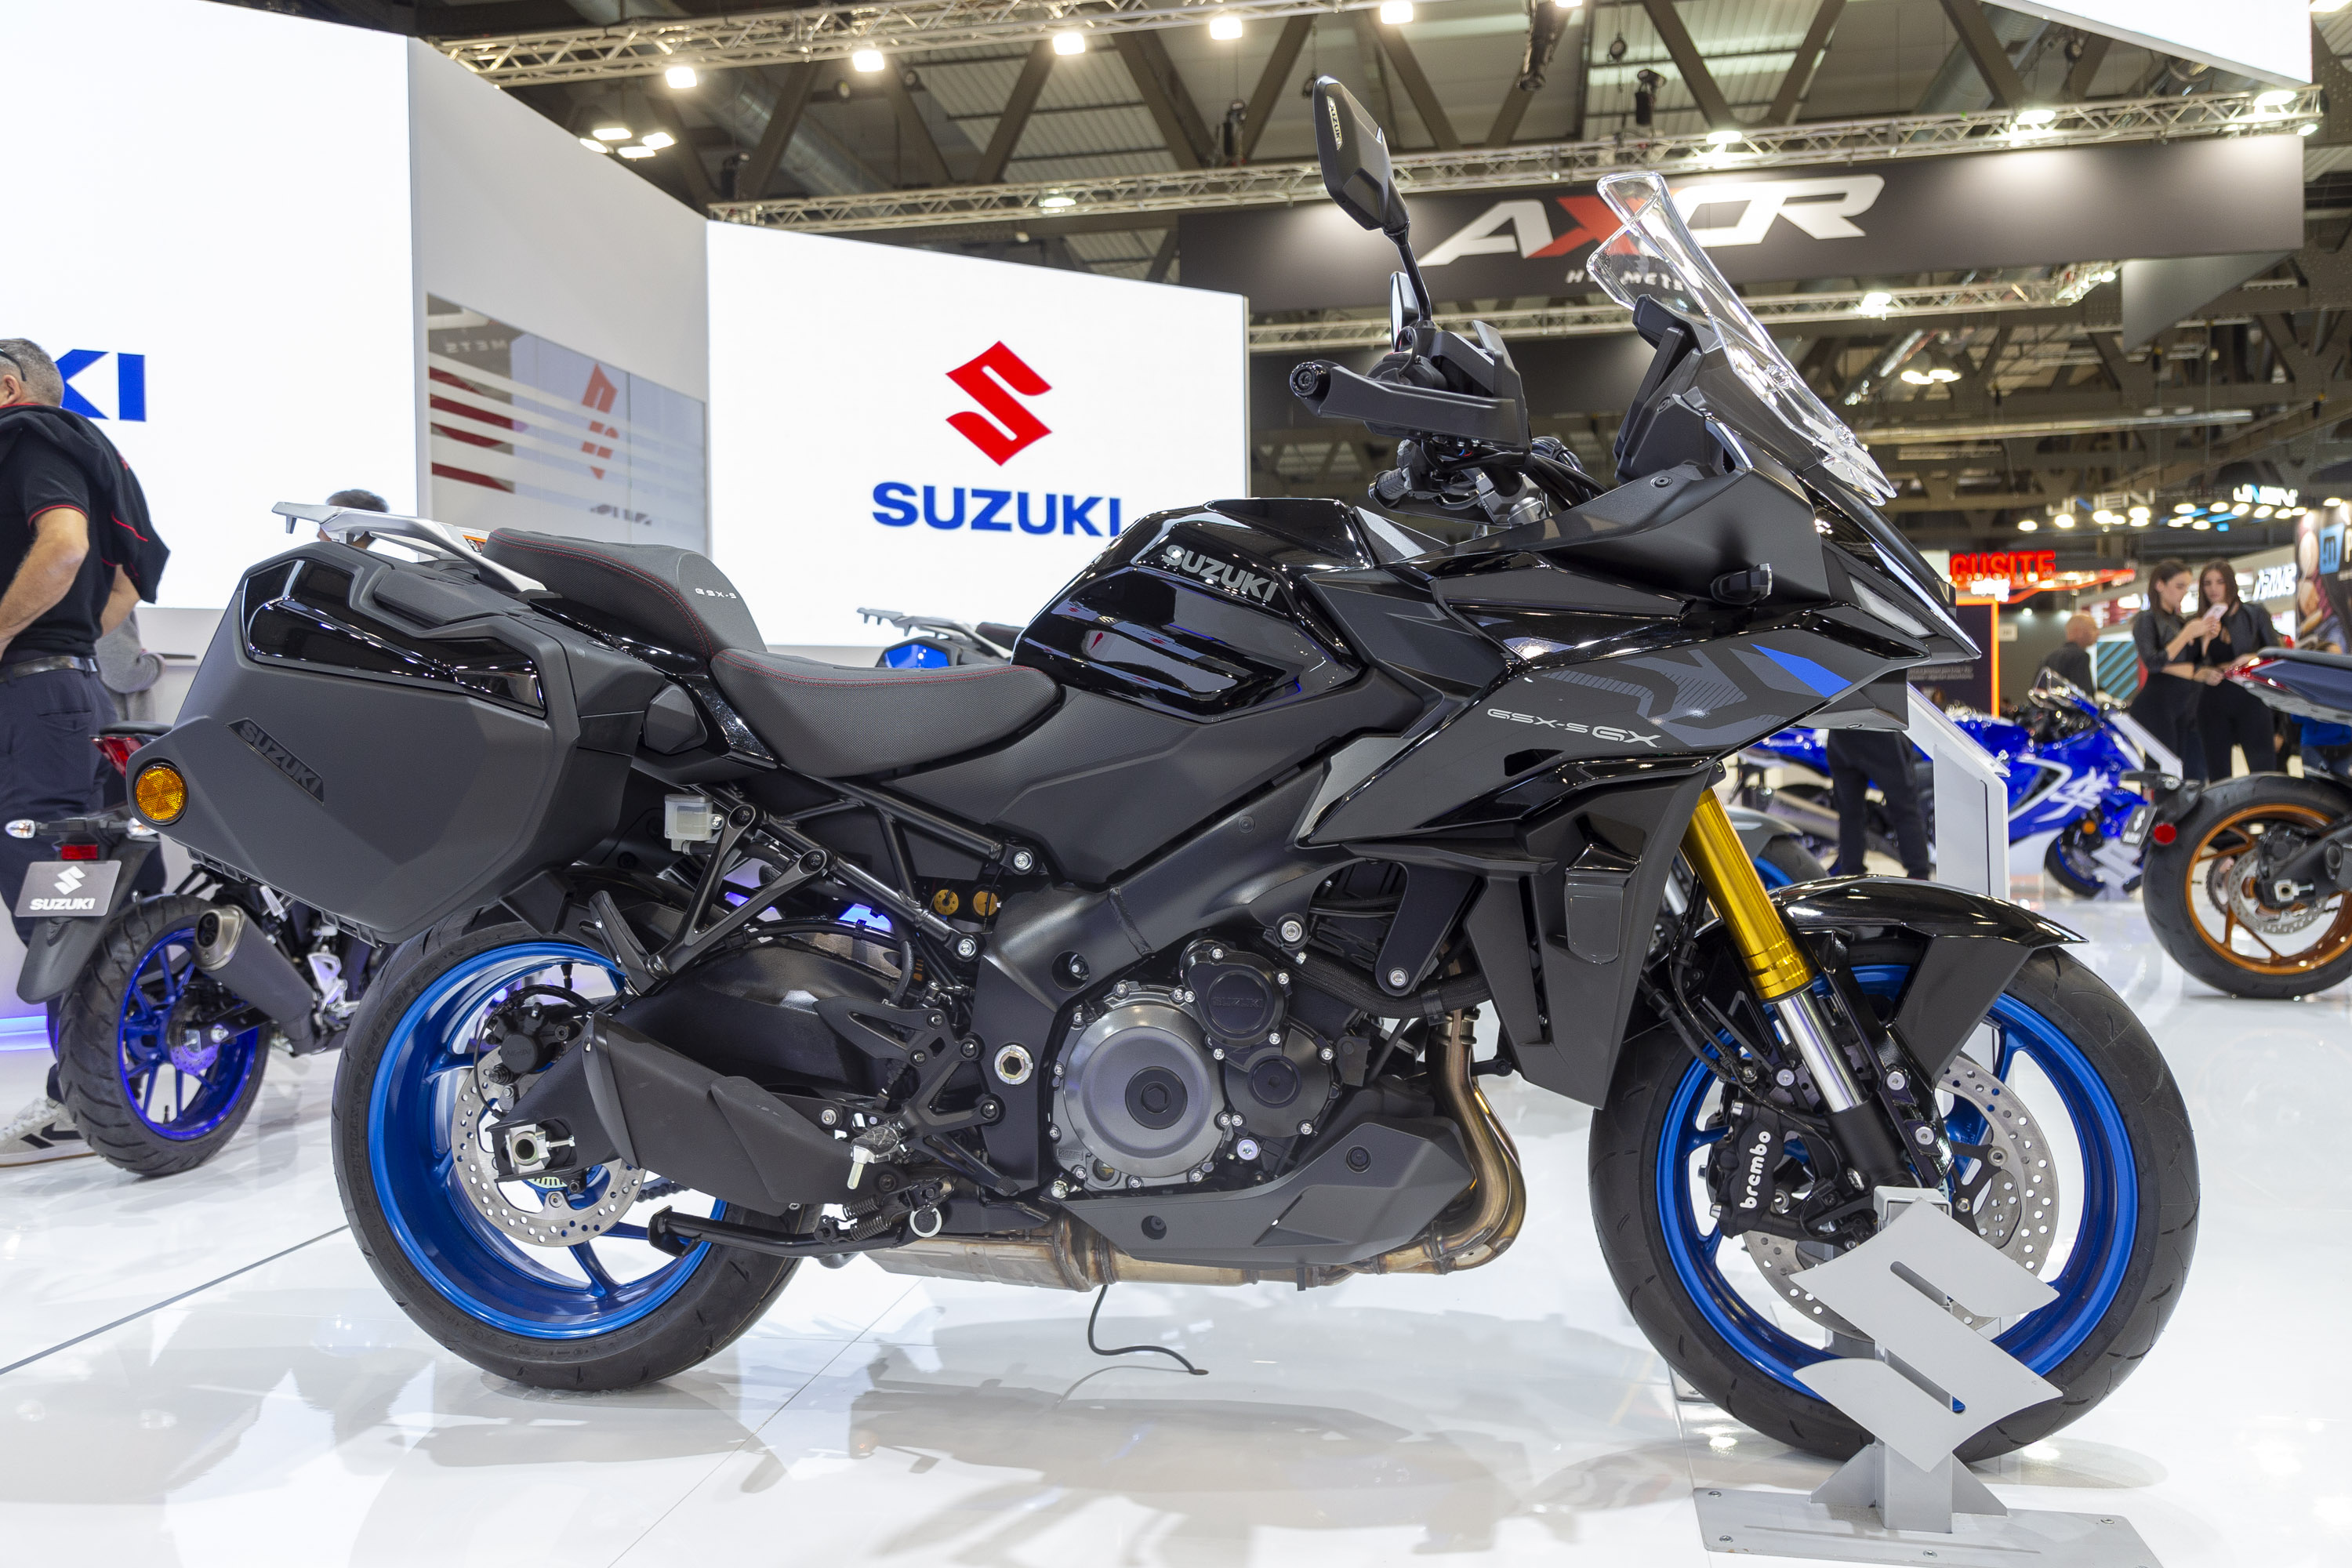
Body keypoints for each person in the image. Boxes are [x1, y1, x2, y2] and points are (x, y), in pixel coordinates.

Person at [0, 338, 166, 1164]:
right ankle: (111, 1081)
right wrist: (70, 643)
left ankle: (82, 1099)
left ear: (6, 386)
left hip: (33, 704)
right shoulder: (96, 456)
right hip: (71, 698)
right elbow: (127, 581)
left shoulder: (28, 437)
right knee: (85, 899)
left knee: (59, 908)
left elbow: (64, 546)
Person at [2189, 559, 2280, 779]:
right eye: (2207, 583)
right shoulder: (2197, 621)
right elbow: (2193, 663)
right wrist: (2204, 639)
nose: (2213, 588)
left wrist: (2252, 657)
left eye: (2219, 582)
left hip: (2251, 695)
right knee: (2218, 774)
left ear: (2230, 583)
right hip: (2213, 699)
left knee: (2263, 771)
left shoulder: (2255, 613)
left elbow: (2276, 653)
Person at [2128, 561, 2214, 779]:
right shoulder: (2147, 620)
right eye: (2179, 586)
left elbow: (2196, 666)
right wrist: (2187, 635)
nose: (2184, 592)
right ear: (2160, 585)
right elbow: (2153, 662)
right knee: (2163, 773)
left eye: (2186, 586)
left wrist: (2205, 638)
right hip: (2158, 703)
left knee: (2182, 772)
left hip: (2183, 703)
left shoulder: (2178, 622)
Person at [1824, 728, 1933, 880]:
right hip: (1879, 731)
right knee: (1905, 811)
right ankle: (1919, 878)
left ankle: (1852, 878)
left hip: (1841, 733)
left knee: (1850, 815)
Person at [2037, 613, 2099, 694]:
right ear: (2078, 631)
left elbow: (2038, 690)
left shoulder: (2049, 657)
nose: (2098, 633)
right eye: (2094, 628)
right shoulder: (2080, 656)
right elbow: (2084, 695)